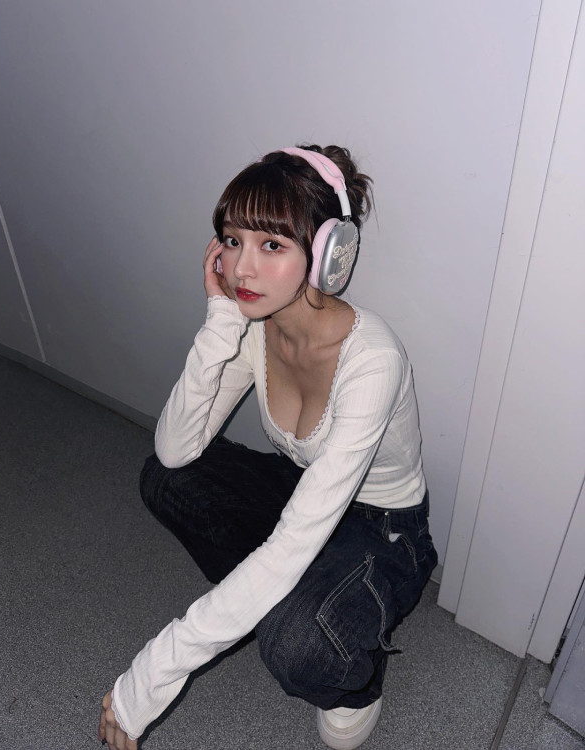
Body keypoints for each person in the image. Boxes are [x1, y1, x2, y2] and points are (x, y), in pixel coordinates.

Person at [98, 145, 437, 750]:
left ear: (328, 254)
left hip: (384, 528)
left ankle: (356, 682)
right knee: (163, 479)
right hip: (303, 491)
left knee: (297, 644)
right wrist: (220, 322)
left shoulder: (373, 360)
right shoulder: (255, 325)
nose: (241, 269)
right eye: (232, 241)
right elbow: (175, 449)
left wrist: (154, 673)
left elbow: (292, 541)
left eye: (271, 245)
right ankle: (280, 597)